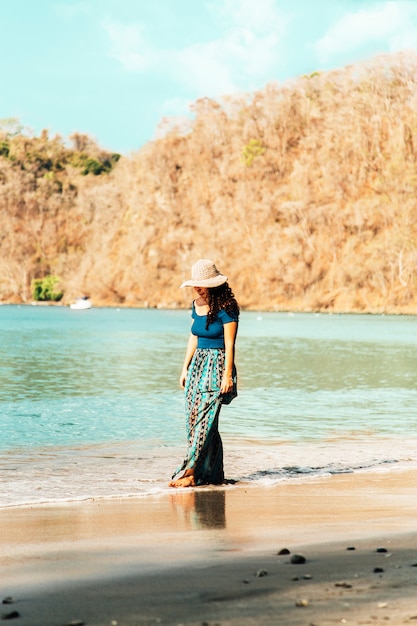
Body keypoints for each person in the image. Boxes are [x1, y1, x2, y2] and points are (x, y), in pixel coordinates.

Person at [169, 259, 239, 488]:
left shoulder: (228, 307)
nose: (197, 288)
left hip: (217, 366)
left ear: (213, 284)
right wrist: (184, 367)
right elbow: (194, 336)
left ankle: (189, 472)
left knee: (205, 420)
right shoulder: (196, 303)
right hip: (197, 366)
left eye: (202, 285)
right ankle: (212, 475)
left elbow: (230, 345)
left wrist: (227, 375)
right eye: (195, 285)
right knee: (195, 421)